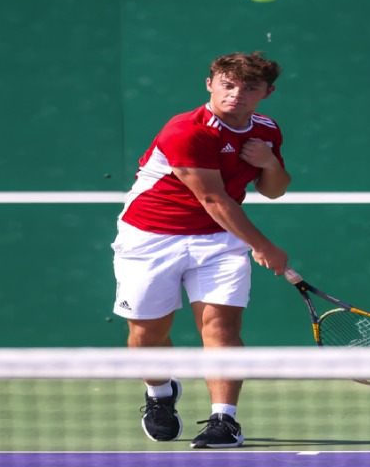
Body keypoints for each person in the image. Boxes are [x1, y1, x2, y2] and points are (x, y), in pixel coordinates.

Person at [111, 51, 291, 449]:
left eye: (250, 88)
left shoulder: (266, 130)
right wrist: (263, 246)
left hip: (219, 241)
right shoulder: (186, 130)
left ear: (267, 93)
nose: (236, 94)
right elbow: (212, 198)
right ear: (210, 84)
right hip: (151, 237)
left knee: (221, 328)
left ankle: (224, 420)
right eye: (228, 85)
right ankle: (160, 393)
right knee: (146, 333)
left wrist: (269, 163)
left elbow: (274, 191)